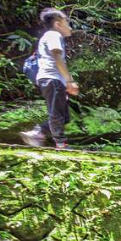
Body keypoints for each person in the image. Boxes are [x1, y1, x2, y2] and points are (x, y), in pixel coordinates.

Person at [20, 9, 79, 149]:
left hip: (52, 80)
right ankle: (61, 144)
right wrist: (70, 81)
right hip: (52, 79)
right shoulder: (53, 35)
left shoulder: (49, 36)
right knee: (57, 114)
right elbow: (57, 56)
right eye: (67, 23)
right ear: (58, 24)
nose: (70, 27)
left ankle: (37, 133)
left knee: (64, 116)